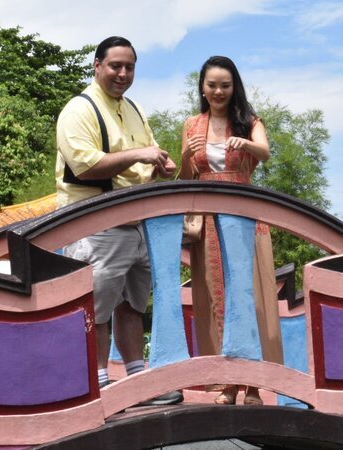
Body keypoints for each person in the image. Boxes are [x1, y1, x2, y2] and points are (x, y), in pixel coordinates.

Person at [56, 36, 181, 404]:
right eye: (115, 66)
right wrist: (140, 153)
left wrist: (160, 167)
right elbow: (84, 165)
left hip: (135, 222)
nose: (123, 74)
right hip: (96, 223)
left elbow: (142, 163)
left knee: (133, 303)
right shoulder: (78, 110)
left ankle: (136, 382)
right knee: (96, 305)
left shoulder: (134, 108)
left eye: (129, 67)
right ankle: (98, 383)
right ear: (97, 66)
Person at [180, 56, 283, 405]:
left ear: (234, 87)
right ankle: (225, 382)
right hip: (208, 220)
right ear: (203, 88)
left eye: (225, 85)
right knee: (214, 297)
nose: (219, 91)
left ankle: (253, 385)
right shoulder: (192, 124)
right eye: (212, 85)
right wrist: (185, 156)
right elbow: (184, 179)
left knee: (249, 295)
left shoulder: (249, 122)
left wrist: (247, 144)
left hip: (244, 217)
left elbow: (265, 153)